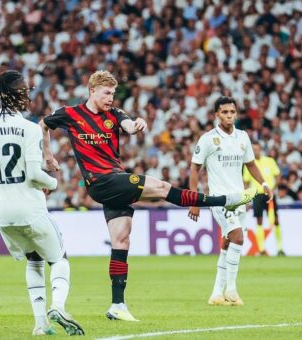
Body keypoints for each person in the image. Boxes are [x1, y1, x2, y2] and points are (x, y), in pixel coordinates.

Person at [39, 70, 256, 321]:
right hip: (101, 180)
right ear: (92, 91)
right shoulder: (70, 114)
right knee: (162, 188)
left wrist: (136, 124)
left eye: (113, 93)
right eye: (106, 93)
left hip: (113, 183)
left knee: (121, 241)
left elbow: (128, 125)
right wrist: (47, 155)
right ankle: (224, 200)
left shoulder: (115, 114)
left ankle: (117, 305)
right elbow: (43, 124)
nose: (111, 98)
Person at [0, 71, 84, 336]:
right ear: (16, 95)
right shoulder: (30, 129)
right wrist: (53, 183)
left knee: (33, 260)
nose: (27, 95)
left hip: (2, 212)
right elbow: (33, 174)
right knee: (59, 258)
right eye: (23, 91)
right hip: (29, 206)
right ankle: (59, 306)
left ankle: (40, 324)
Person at [188, 96, 272, 306]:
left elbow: (251, 164)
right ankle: (232, 291)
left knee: (227, 243)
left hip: (239, 198)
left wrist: (263, 184)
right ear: (216, 115)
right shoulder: (208, 139)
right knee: (237, 237)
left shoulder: (242, 137)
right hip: (219, 199)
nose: (229, 116)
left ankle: (217, 294)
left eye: (232, 112)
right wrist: (195, 200)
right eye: (224, 112)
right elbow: (194, 168)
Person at [242, 142, 281, 256]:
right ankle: (261, 249)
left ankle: (279, 248)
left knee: (276, 219)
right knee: (259, 220)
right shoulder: (249, 164)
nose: (255, 151)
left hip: (270, 194)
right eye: (253, 149)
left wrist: (273, 188)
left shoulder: (269, 161)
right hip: (257, 194)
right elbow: (246, 181)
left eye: (257, 149)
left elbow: (278, 175)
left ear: (260, 149)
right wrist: (246, 197)